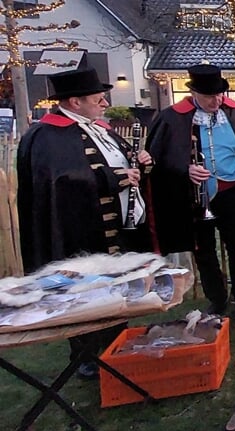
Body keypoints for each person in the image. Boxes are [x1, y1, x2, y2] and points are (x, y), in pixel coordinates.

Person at [17, 68, 153, 379]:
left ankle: (117, 345)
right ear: (75, 102)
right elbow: (60, 182)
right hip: (80, 232)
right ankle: (87, 356)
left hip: (116, 231)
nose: (105, 103)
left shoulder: (101, 129)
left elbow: (124, 162)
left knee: (116, 290)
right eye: (98, 98)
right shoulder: (47, 136)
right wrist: (113, 178)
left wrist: (142, 162)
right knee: (84, 293)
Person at [146, 64, 235, 318]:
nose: (216, 101)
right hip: (195, 195)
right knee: (204, 250)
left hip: (234, 191)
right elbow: (158, 159)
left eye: (219, 95)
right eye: (209, 96)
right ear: (194, 93)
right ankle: (217, 299)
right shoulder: (172, 117)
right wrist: (184, 169)